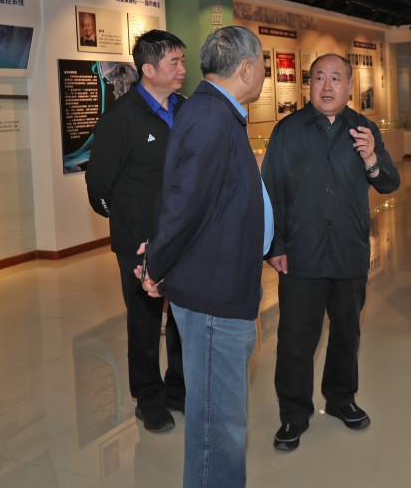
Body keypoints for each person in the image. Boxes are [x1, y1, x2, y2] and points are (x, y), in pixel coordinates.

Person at [138, 25, 271, 488]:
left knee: (219, 421)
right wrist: (155, 264)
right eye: (263, 64)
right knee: (219, 429)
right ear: (246, 68)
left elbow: (179, 195)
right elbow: (184, 205)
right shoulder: (213, 118)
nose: (264, 74)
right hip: (214, 299)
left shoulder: (212, 112)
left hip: (220, 285)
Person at [262, 54, 400, 451]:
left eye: (336, 78)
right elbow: (269, 192)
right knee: (295, 338)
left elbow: (389, 183)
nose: (327, 86)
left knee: (346, 333)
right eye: (319, 77)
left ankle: (341, 399)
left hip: (348, 251)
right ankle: (293, 413)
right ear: (308, 84)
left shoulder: (364, 129)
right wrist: (274, 246)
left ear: (350, 86)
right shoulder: (287, 131)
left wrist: (371, 158)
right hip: (300, 253)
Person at [85, 30, 188, 433]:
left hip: (182, 237)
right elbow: (99, 186)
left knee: (181, 317)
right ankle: (149, 398)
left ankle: (178, 389)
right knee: (145, 321)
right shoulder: (120, 119)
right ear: (149, 69)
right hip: (140, 242)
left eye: (182, 61)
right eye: (174, 62)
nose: (182, 69)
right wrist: (130, 229)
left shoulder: (186, 110)